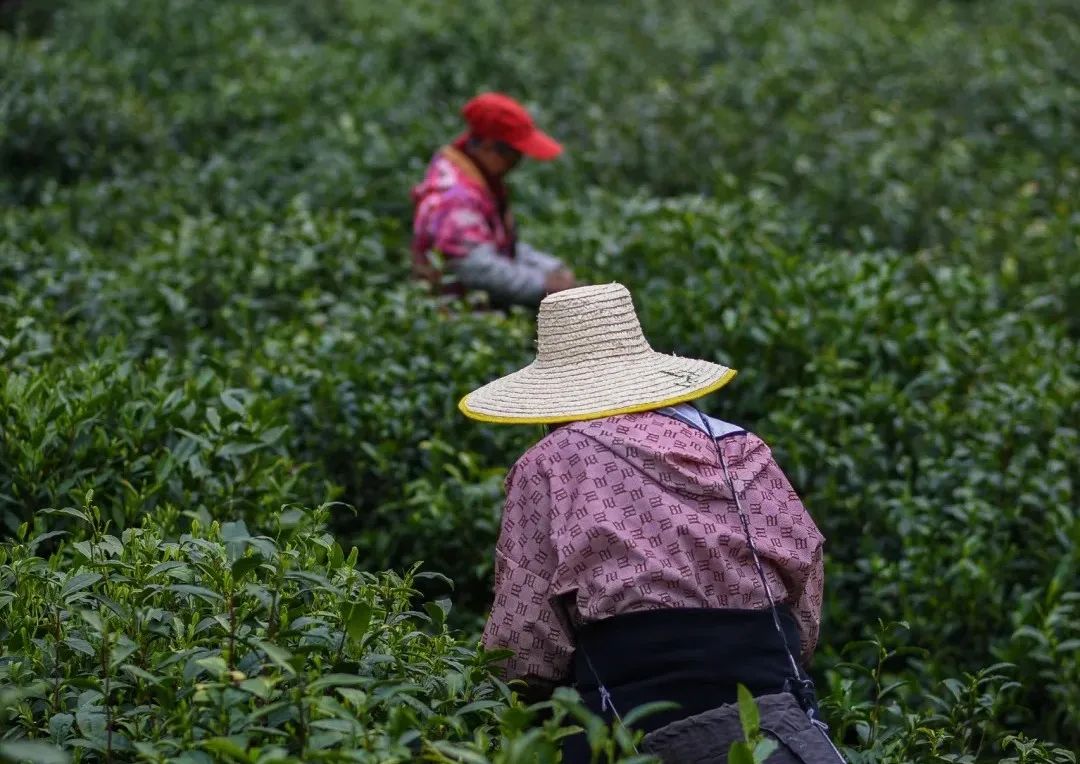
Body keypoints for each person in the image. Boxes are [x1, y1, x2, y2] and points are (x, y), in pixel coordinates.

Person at [460, 283, 844, 763]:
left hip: (634, 721)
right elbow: (805, 594)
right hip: (774, 715)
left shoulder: (551, 462)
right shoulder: (740, 447)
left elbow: (524, 647)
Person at [411, 92, 577, 308]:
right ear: (489, 147)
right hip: (456, 318)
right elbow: (477, 268)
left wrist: (551, 268)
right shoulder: (455, 198)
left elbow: (500, 247)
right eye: (515, 153)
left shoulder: (480, 181)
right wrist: (545, 286)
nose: (519, 161)